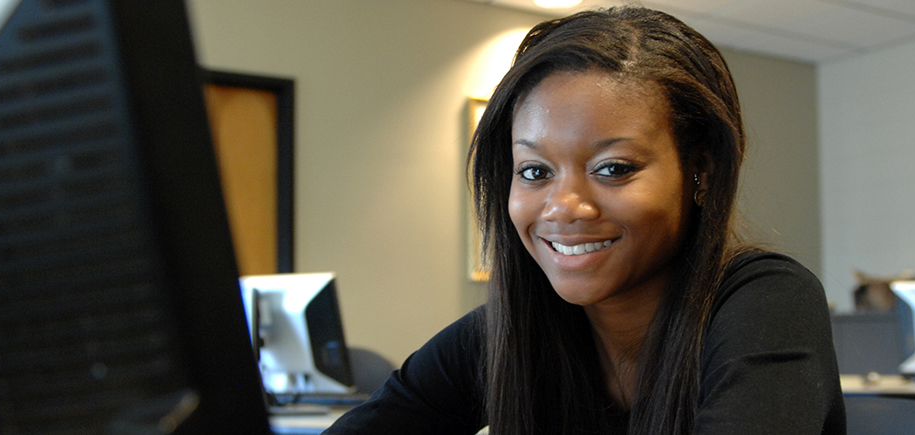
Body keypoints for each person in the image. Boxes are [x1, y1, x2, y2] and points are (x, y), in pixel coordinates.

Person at [326, 6, 844, 435]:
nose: (563, 207)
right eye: (534, 171)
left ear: (700, 170)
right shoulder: (510, 328)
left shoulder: (768, 303)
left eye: (613, 168)